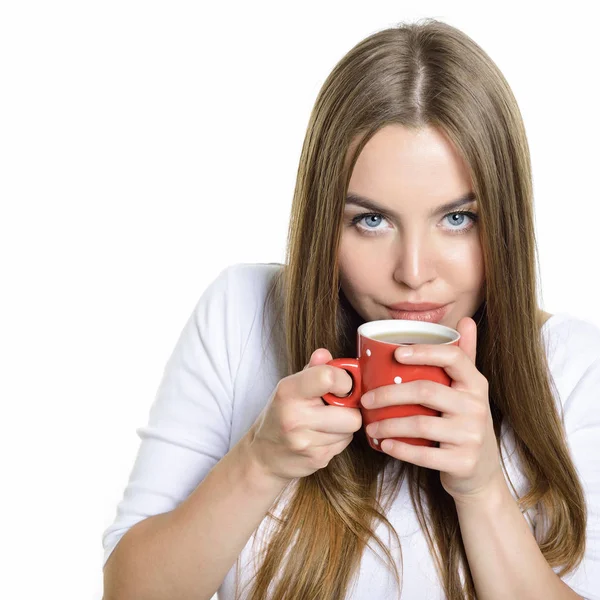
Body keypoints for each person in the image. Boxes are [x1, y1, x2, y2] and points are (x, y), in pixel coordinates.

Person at [102, 18, 600, 600]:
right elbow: (129, 592)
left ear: (505, 224)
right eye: (371, 220)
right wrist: (259, 463)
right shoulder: (240, 314)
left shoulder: (572, 366)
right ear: (324, 225)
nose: (413, 272)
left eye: (457, 218)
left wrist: (483, 489)